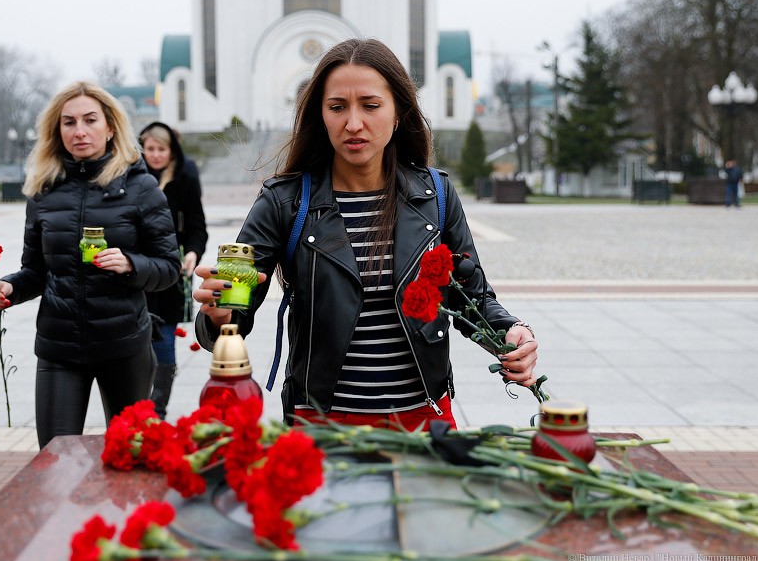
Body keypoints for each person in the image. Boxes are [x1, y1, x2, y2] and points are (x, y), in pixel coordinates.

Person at [192, 38, 537, 431]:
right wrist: (219, 316)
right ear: (320, 116)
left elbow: (470, 296)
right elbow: (230, 310)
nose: (353, 123)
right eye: (337, 107)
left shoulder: (435, 195)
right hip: (321, 425)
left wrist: (511, 332)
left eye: (370, 106)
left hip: (424, 421)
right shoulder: (284, 201)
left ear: (397, 114)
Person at [0, 81, 181, 449]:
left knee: (130, 458)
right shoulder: (43, 191)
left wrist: (130, 264)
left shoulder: (141, 188)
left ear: (110, 127)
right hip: (60, 347)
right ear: (57, 132)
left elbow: (168, 268)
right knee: (53, 461)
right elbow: (36, 272)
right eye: (69, 122)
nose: (79, 131)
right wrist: (11, 287)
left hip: (124, 344)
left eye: (90, 120)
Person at [139, 121, 208, 419]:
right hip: (138, 267)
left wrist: (192, 253)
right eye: (149, 149)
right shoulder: (133, 176)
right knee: (137, 341)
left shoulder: (185, 177)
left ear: (172, 150)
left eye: (161, 149)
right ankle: (134, 405)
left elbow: (196, 225)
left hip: (172, 269)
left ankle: (158, 410)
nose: (155, 155)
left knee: (165, 341)